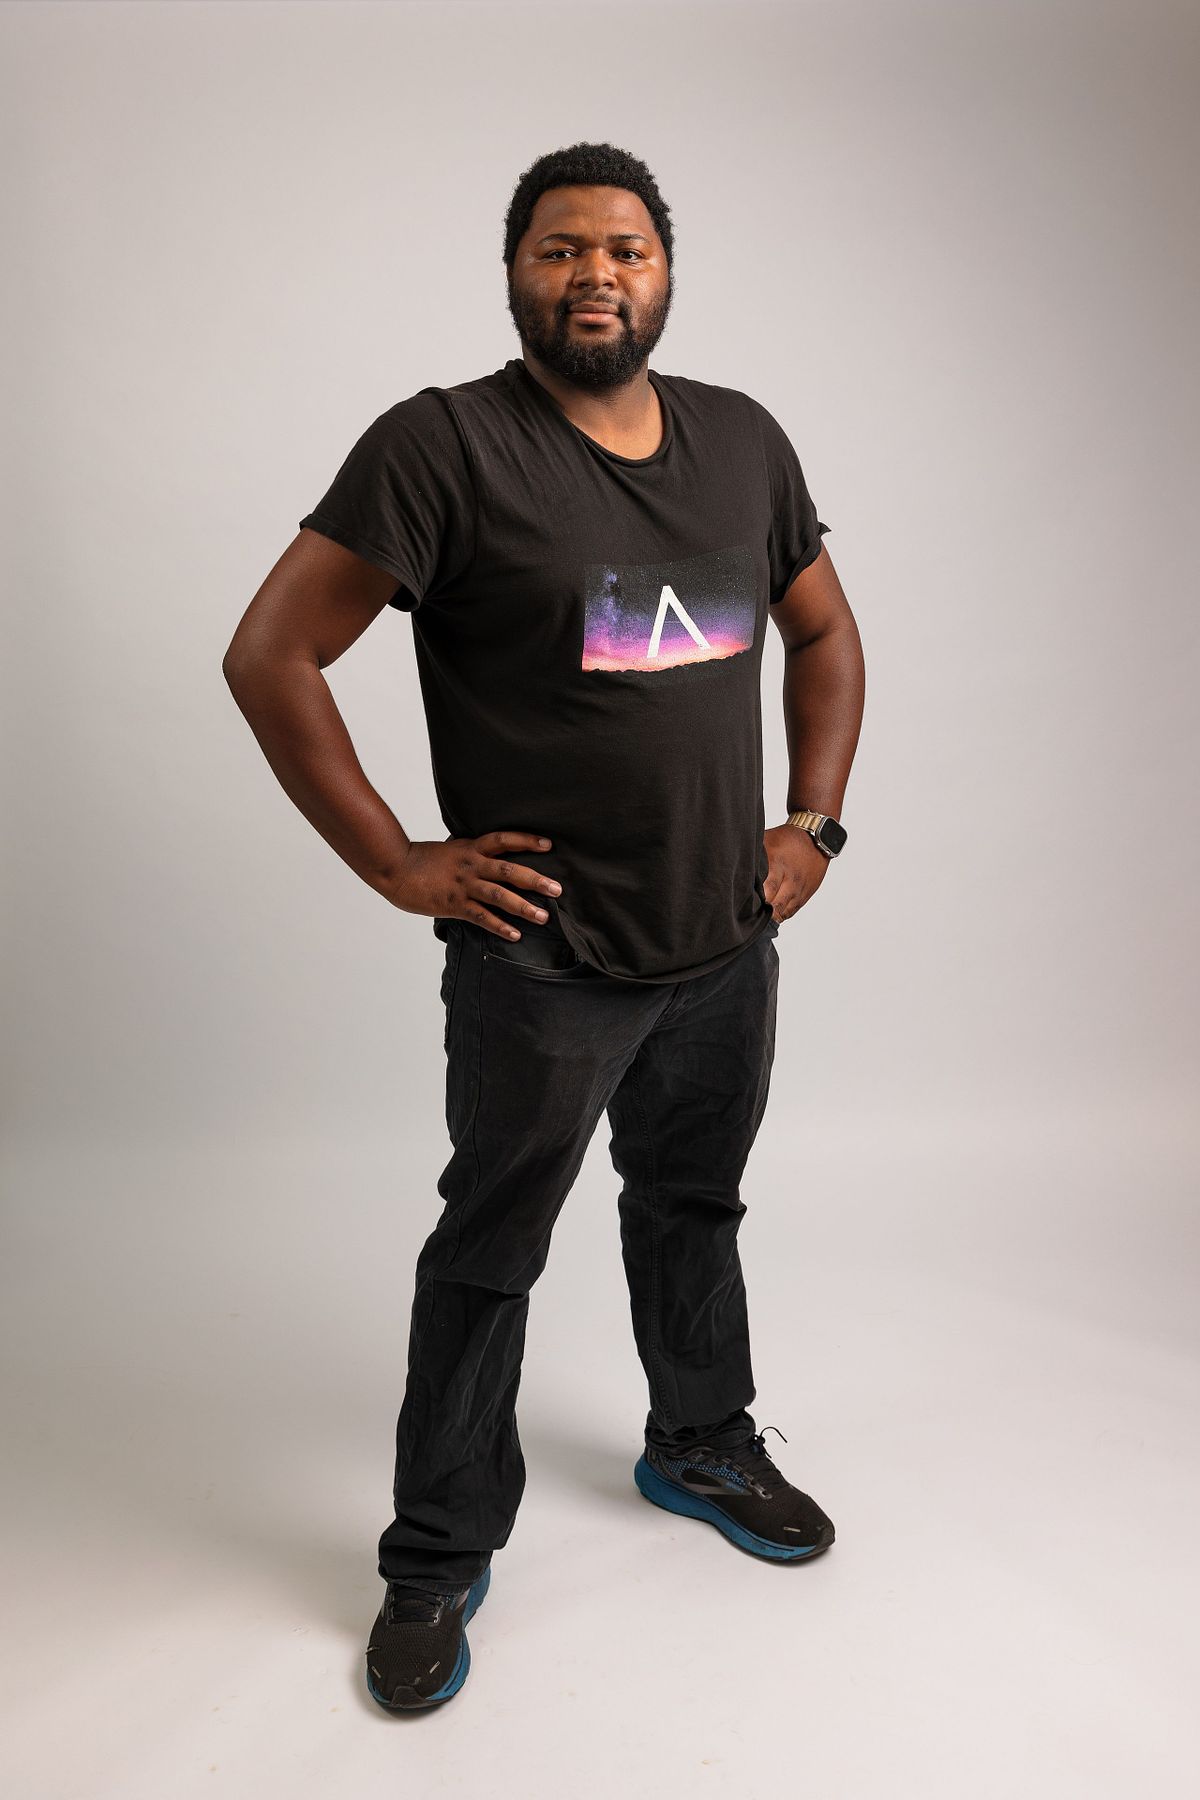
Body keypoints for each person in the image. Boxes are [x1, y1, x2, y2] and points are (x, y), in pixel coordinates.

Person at [222, 140, 865, 1713]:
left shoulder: (741, 442)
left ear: (665, 268)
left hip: (723, 939)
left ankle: (701, 1440)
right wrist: (396, 861)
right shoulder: (443, 451)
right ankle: (437, 1552)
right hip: (544, 956)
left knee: (691, 1201)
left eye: (626, 249)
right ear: (513, 269)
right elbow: (270, 655)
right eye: (562, 249)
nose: (596, 275)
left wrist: (815, 822)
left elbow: (829, 630)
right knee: (491, 1252)